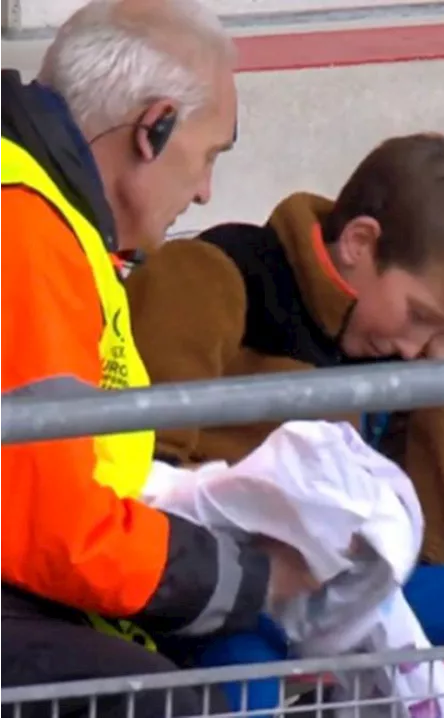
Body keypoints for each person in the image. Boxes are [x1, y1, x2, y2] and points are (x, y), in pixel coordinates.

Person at [124, 133, 444, 710]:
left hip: (347, 591)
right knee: (246, 672)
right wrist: (275, 560)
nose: (413, 349)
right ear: (360, 242)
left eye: (435, 334)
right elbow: (145, 473)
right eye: (419, 317)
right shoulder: (211, 277)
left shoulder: (395, 345)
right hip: (224, 593)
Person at [0, 0, 315, 714]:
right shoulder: (25, 230)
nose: (204, 189)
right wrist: (249, 579)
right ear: (155, 127)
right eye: (208, 155)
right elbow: (59, 529)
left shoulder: (48, 215)